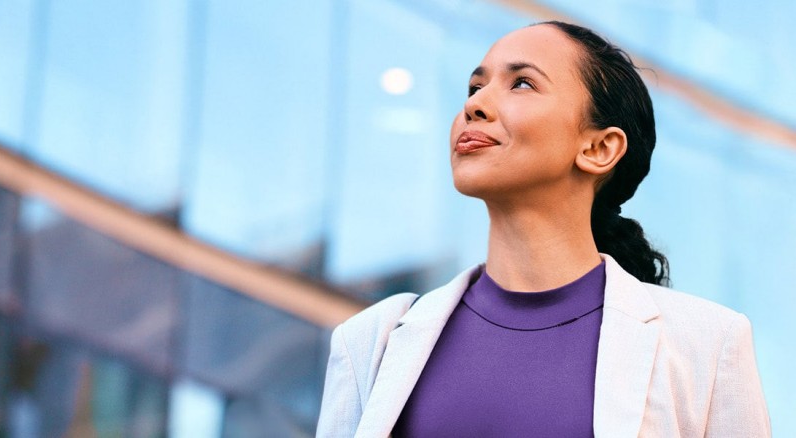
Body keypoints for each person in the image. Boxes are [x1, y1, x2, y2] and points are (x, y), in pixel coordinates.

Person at [317, 20, 772, 437]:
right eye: (475, 86)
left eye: (521, 83)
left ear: (598, 148)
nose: (475, 104)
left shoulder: (706, 346)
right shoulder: (372, 341)